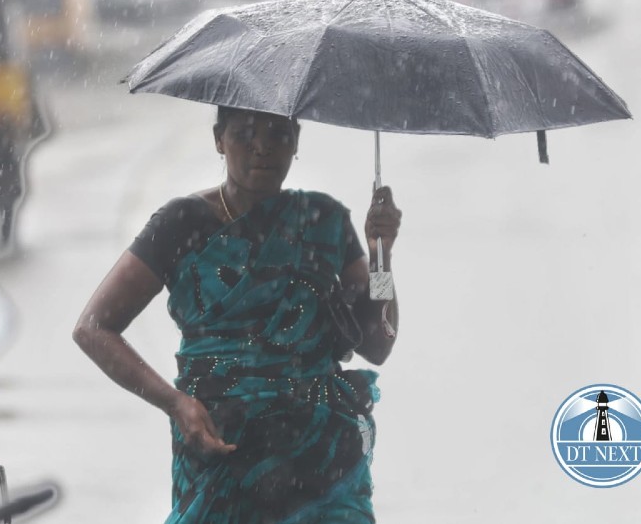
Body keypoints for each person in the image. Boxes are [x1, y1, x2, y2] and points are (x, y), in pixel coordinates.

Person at [73, 106, 402, 523]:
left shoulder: (324, 220)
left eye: (279, 135)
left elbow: (378, 343)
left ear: (297, 143)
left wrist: (381, 255)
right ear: (218, 139)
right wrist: (174, 403)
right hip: (221, 445)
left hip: (320, 455)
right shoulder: (180, 222)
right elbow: (93, 329)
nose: (262, 147)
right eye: (245, 134)